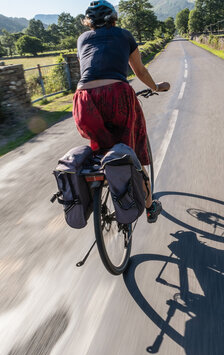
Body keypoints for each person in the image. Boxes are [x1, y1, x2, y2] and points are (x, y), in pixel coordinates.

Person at [73, 0, 169, 223]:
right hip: (117, 95)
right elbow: (140, 71)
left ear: (89, 22)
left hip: (83, 100)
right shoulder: (124, 35)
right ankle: (149, 206)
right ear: (114, 18)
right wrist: (156, 87)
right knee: (130, 150)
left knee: (100, 150)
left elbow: (89, 69)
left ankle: (104, 184)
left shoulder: (82, 39)